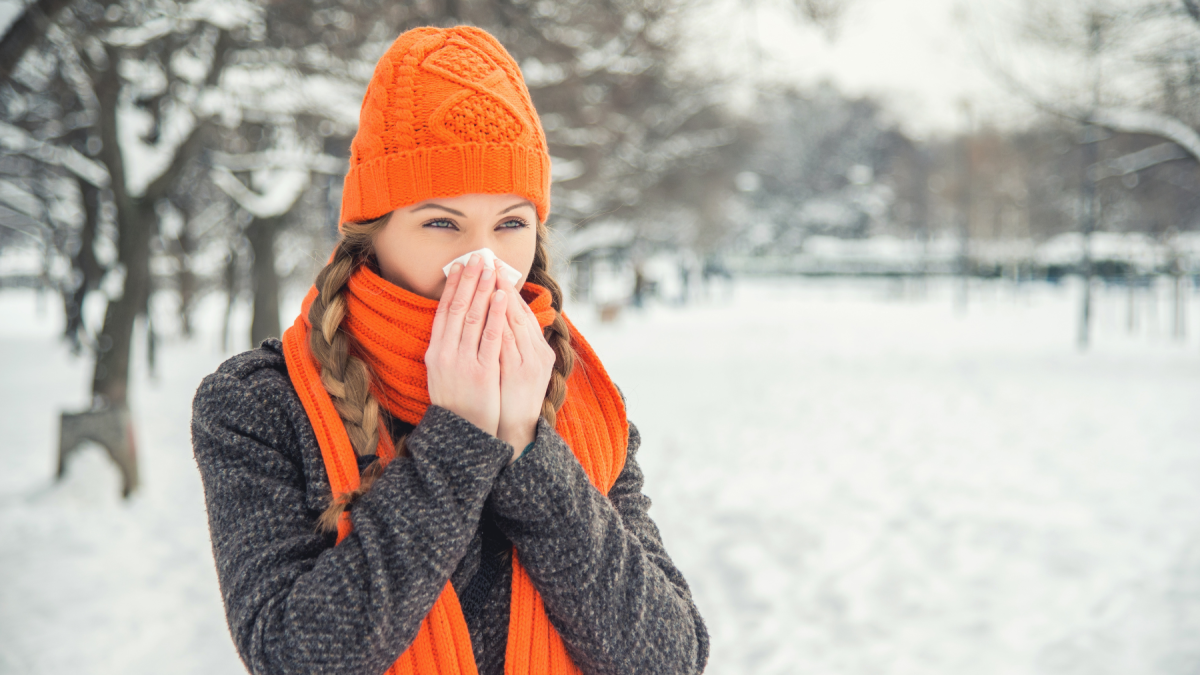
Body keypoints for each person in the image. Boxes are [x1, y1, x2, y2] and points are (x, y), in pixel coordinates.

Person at [190, 25, 709, 675]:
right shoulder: (261, 402)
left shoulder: (578, 399)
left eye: (511, 223)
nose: (485, 260)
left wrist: (527, 445)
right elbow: (295, 655)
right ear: (371, 234)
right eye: (441, 222)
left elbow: (669, 656)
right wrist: (458, 439)